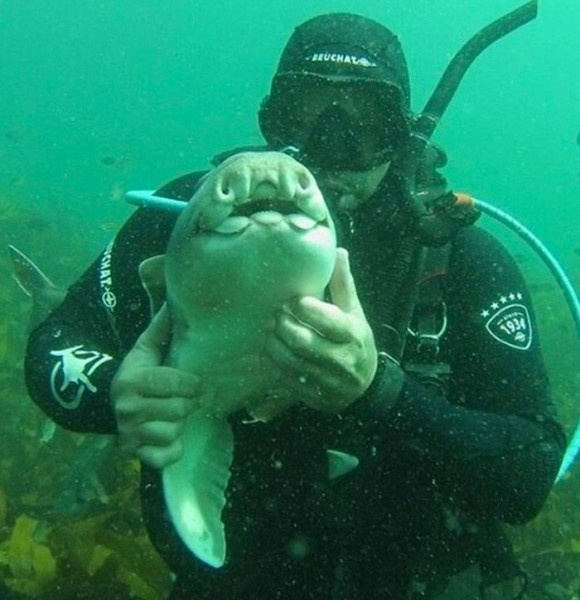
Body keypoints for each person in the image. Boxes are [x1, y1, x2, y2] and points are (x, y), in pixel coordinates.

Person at [25, 13, 565, 600]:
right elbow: (55, 343)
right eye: (307, 114)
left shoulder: (459, 260)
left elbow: (529, 476)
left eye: (367, 122)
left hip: (418, 582)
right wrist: (116, 393)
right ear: (270, 119)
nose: (333, 146)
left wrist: (383, 393)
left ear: (403, 134)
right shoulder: (182, 219)